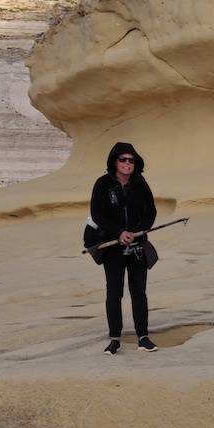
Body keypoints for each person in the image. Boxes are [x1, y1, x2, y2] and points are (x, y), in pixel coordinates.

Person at [90, 142, 159, 355]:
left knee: (139, 293)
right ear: (114, 162)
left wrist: (136, 231)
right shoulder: (103, 183)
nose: (128, 163)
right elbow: (97, 214)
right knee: (114, 293)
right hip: (113, 248)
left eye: (131, 160)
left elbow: (151, 212)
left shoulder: (140, 183)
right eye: (123, 160)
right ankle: (114, 339)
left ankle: (143, 337)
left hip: (137, 245)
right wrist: (119, 232)